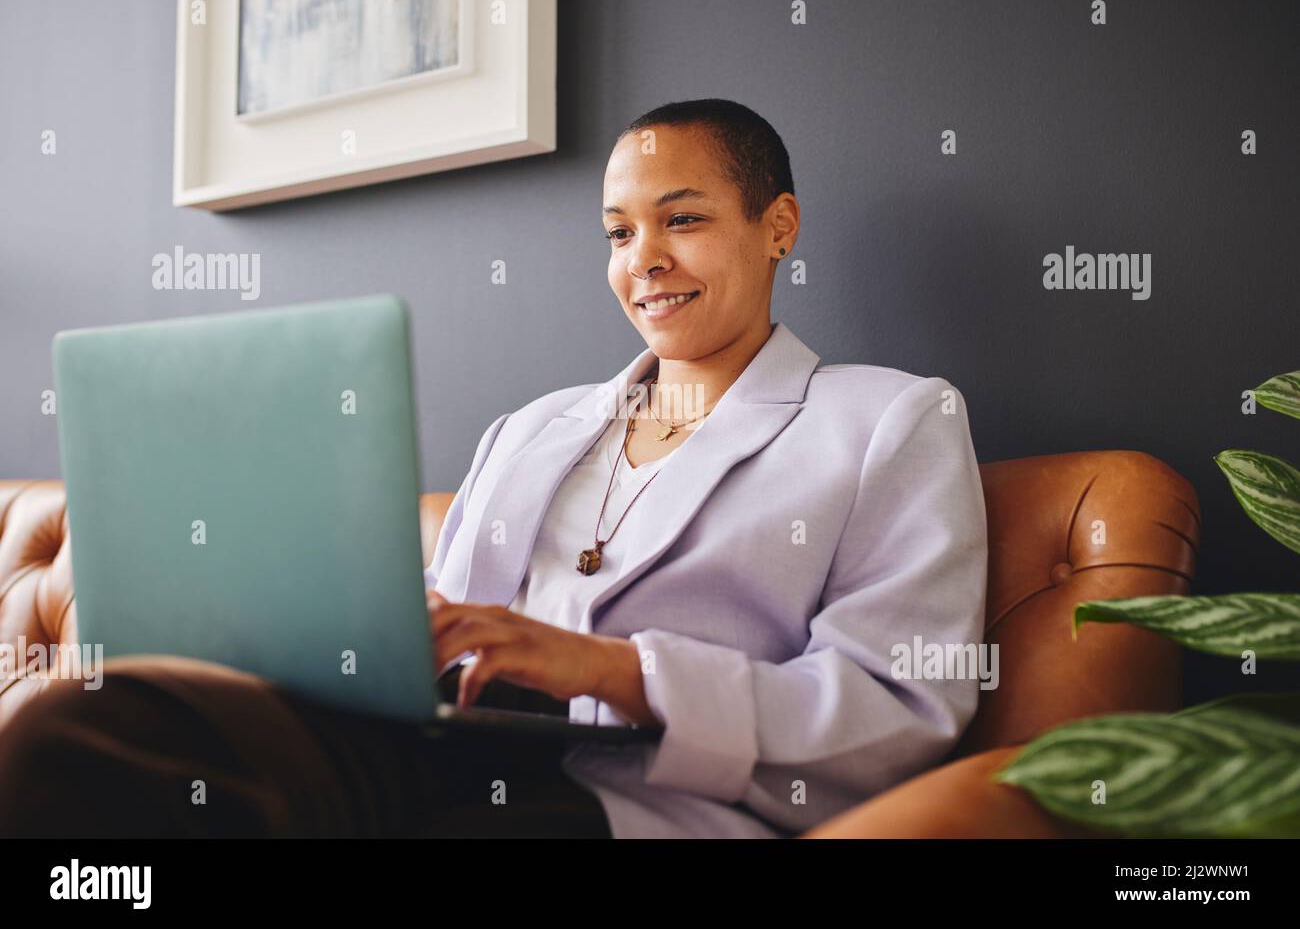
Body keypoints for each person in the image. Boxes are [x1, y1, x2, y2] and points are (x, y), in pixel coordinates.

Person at [0, 98, 988, 839]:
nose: (641, 257)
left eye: (680, 220)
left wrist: (612, 669)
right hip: (436, 748)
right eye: (617, 231)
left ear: (777, 227)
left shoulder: (888, 420)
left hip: (634, 800)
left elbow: (899, 708)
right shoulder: (533, 428)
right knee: (79, 731)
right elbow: (441, 618)